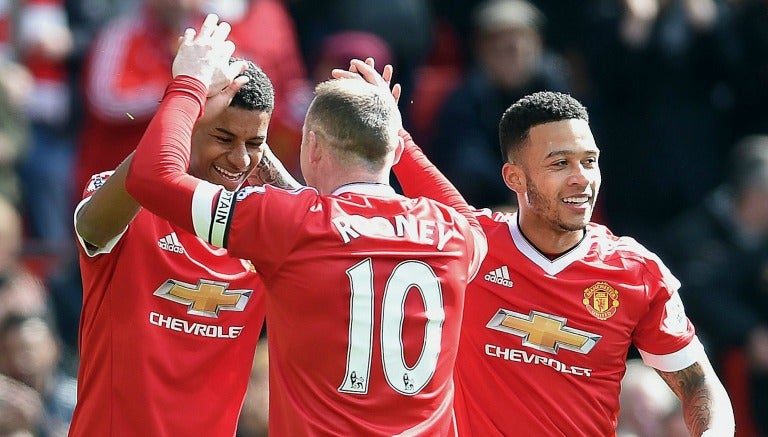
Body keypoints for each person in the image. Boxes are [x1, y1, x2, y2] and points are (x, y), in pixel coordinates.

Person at [125, 14, 486, 435]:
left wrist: (188, 84)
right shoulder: (452, 234)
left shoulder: (289, 221)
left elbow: (152, 178)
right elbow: (471, 221)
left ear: (310, 145)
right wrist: (399, 138)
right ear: (391, 149)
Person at [425, 91, 733, 435]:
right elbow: (401, 161)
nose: (582, 178)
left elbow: (699, 384)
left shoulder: (636, 271)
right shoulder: (469, 245)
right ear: (515, 178)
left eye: (589, 161)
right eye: (560, 163)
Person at [69, 54, 299, 436]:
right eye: (223, 138)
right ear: (187, 128)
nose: (240, 158)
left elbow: (333, 243)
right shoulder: (129, 204)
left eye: (254, 143)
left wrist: (263, 157)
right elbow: (92, 227)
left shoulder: (262, 229)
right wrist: (187, 95)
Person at [661, 134, 768, 435]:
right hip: (710, 349)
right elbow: (692, 294)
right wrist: (748, 331)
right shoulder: (694, 235)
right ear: (755, 195)